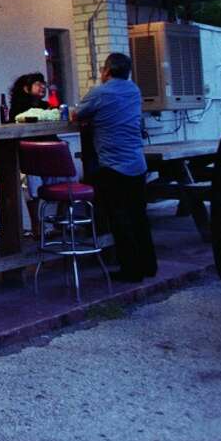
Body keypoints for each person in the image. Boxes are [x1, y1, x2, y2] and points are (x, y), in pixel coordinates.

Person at [72, 53, 158, 282]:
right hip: (137, 163)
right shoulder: (134, 90)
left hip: (113, 165)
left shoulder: (100, 92)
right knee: (139, 216)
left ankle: (131, 270)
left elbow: (75, 115)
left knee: (120, 219)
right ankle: (149, 265)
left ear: (106, 71)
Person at [8, 73, 55, 237]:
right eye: (38, 84)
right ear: (26, 88)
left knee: (67, 179)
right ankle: (37, 226)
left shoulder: (47, 106)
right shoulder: (18, 109)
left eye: (44, 84)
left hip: (48, 151)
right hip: (29, 154)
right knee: (31, 185)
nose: (43, 87)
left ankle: (56, 223)